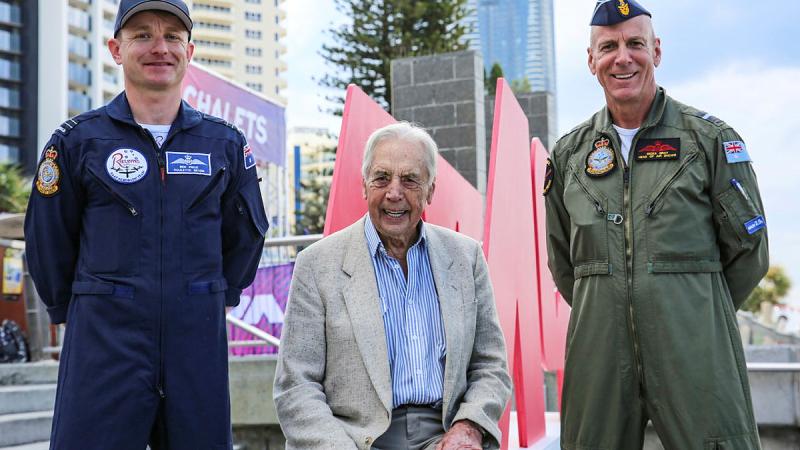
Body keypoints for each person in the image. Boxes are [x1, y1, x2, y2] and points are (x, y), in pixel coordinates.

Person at [24, 1, 269, 448]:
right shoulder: (77, 142)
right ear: (116, 49)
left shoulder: (225, 145)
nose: (160, 47)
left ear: (189, 51)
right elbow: (47, 239)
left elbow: (246, 236)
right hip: (103, 349)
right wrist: (73, 311)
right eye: (142, 35)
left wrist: (211, 297)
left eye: (172, 36)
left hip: (195, 350)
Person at [544, 1, 769, 449]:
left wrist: (692, 309)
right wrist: (615, 303)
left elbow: (750, 252)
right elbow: (563, 262)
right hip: (600, 355)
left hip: (696, 349)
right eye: (608, 46)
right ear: (591, 61)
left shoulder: (708, 141)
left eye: (635, 44)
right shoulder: (568, 156)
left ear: (657, 51)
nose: (622, 57)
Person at [274, 122, 511, 450]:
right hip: (353, 440)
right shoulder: (317, 265)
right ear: (364, 185)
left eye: (410, 180)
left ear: (430, 190)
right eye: (382, 178)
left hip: (444, 436)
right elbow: (296, 387)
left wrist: (468, 427)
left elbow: (491, 365)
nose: (394, 193)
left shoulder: (466, 258)